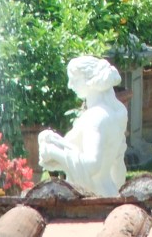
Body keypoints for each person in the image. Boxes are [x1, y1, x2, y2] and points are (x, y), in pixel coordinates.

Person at [38, 56, 128, 197]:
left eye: (74, 79)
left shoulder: (95, 117)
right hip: (108, 193)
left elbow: (92, 165)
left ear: (89, 79)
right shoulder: (113, 113)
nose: (70, 84)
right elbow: (118, 168)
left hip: (92, 199)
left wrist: (52, 152)